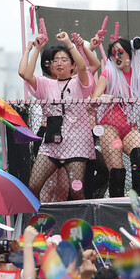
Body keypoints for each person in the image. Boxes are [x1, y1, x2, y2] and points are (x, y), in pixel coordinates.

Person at [19, 31, 96, 201]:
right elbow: (25, 74)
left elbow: (84, 67)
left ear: (72, 65)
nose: (59, 63)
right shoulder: (46, 84)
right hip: (52, 143)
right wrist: (35, 50)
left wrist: (69, 44)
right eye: (55, 61)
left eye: (64, 59)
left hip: (77, 142)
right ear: (50, 66)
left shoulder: (79, 83)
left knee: (76, 190)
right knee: (33, 186)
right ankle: (37, 224)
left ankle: (81, 225)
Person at [92, 37, 140, 198]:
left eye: (120, 52)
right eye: (113, 54)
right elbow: (94, 99)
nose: (117, 56)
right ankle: (117, 207)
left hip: (129, 126)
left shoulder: (138, 73)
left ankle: (138, 201)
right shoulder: (108, 73)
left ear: (130, 55)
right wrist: (100, 98)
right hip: (109, 126)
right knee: (117, 169)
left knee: (139, 158)